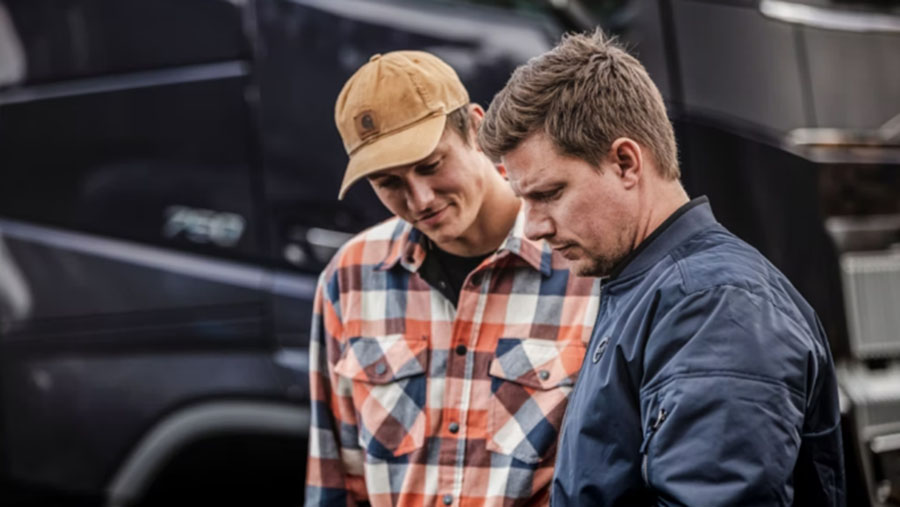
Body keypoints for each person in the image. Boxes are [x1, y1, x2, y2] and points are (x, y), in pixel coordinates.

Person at [478, 30, 845, 506]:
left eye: (549, 194)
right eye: (524, 200)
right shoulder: (653, 289)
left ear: (626, 162)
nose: (532, 228)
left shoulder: (715, 307)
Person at [304, 51, 600, 506]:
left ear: (477, 129)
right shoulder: (349, 279)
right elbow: (336, 480)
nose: (420, 198)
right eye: (388, 183)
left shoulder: (583, 265)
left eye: (430, 165)